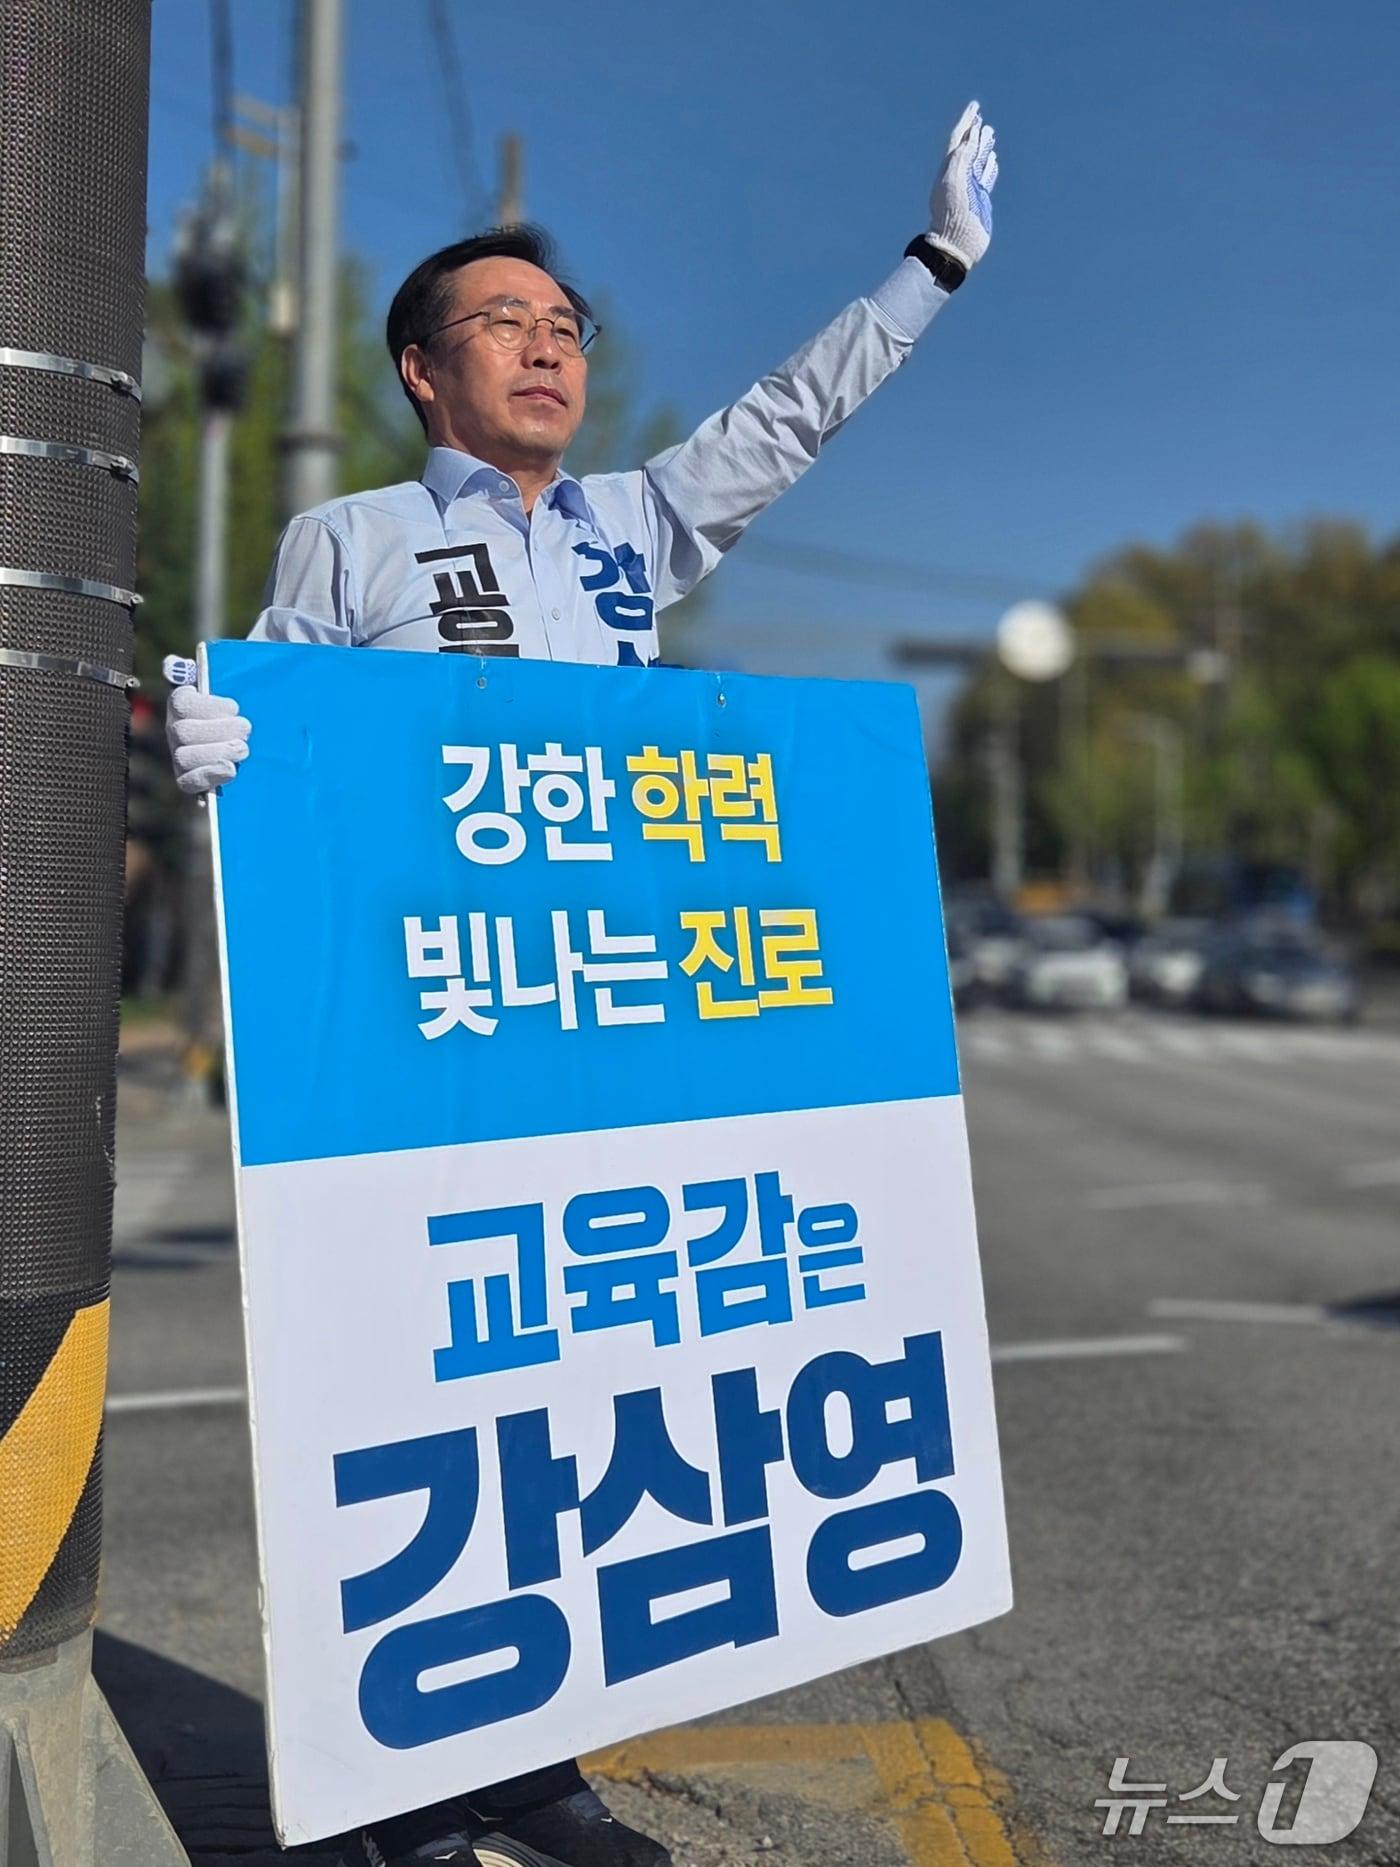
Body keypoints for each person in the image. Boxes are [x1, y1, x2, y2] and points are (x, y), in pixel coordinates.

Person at [166, 101, 998, 1867]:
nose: (545, 351)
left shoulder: (635, 524)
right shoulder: (356, 542)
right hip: (424, 1029)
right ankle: (387, 1774)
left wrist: (928, 268)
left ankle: (530, 1761)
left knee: (569, 1403)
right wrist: (217, 752)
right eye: (502, 325)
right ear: (418, 369)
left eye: (565, 331)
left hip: (600, 1031)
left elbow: (787, 416)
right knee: (410, 1384)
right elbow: (286, 759)